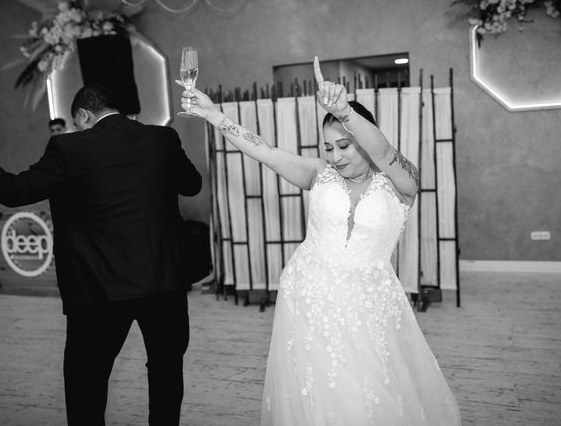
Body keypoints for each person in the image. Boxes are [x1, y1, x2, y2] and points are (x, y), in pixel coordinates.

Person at [178, 57, 461, 425]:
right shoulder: (319, 174)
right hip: (309, 294)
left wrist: (344, 110)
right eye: (329, 148)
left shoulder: (401, 183)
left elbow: (384, 152)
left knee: (372, 389)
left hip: (370, 300)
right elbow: (264, 150)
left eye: (345, 145)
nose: (336, 156)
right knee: (321, 391)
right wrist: (215, 116)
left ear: (363, 137)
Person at [0, 84, 201, 426]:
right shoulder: (162, 138)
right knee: (166, 371)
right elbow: (192, 185)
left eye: (75, 123)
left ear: (84, 115)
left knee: (86, 382)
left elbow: (12, 191)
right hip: (165, 282)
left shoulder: (68, 148)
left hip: (100, 288)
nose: (74, 130)